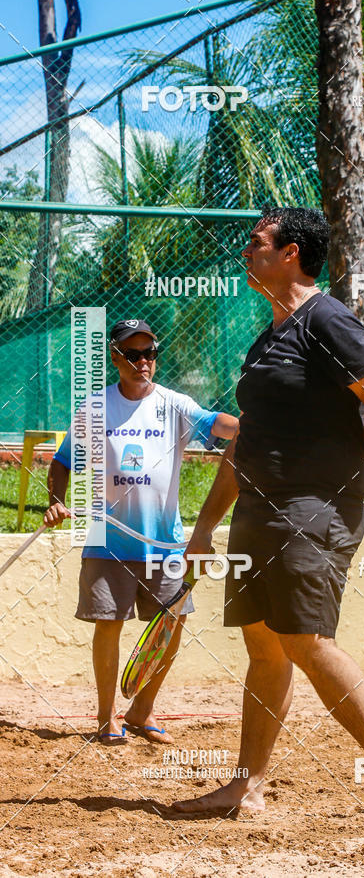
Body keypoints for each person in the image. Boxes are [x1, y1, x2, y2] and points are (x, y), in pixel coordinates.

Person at [174, 207, 364, 826]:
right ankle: (246, 788)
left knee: (307, 642)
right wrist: (204, 528)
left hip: (312, 509)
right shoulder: (268, 337)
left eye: (256, 243)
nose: (245, 253)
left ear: (291, 254)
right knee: (265, 649)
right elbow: (244, 443)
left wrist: (340, 464)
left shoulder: (327, 318)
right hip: (258, 510)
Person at [43, 319, 238, 745]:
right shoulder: (96, 408)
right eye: (133, 354)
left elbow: (214, 423)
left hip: (164, 542)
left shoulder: (174, 404)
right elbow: (62, 462)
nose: (143, 362)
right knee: (108, 625)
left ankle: (142, 712)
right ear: (116, 357)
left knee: (171, 626)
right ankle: (105, 716)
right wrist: (56, 500)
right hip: (107, 542)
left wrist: (245, 426)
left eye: (150, 353)